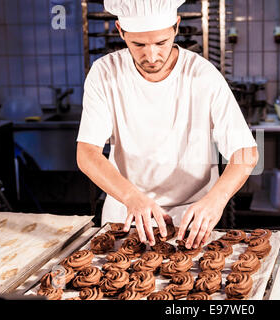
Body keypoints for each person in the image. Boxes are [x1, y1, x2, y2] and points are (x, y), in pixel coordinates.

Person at [76, 0, 258, 250]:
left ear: (176, 27)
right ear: (120, 31)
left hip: (190, 221)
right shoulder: (105, 73)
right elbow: (86, 154)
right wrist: (131, 197)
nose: (151, 56)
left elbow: (246, 152)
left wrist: (217, 198)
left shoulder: (202, 75)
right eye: (138, 44)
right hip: (126, 215)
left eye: (161, 43)